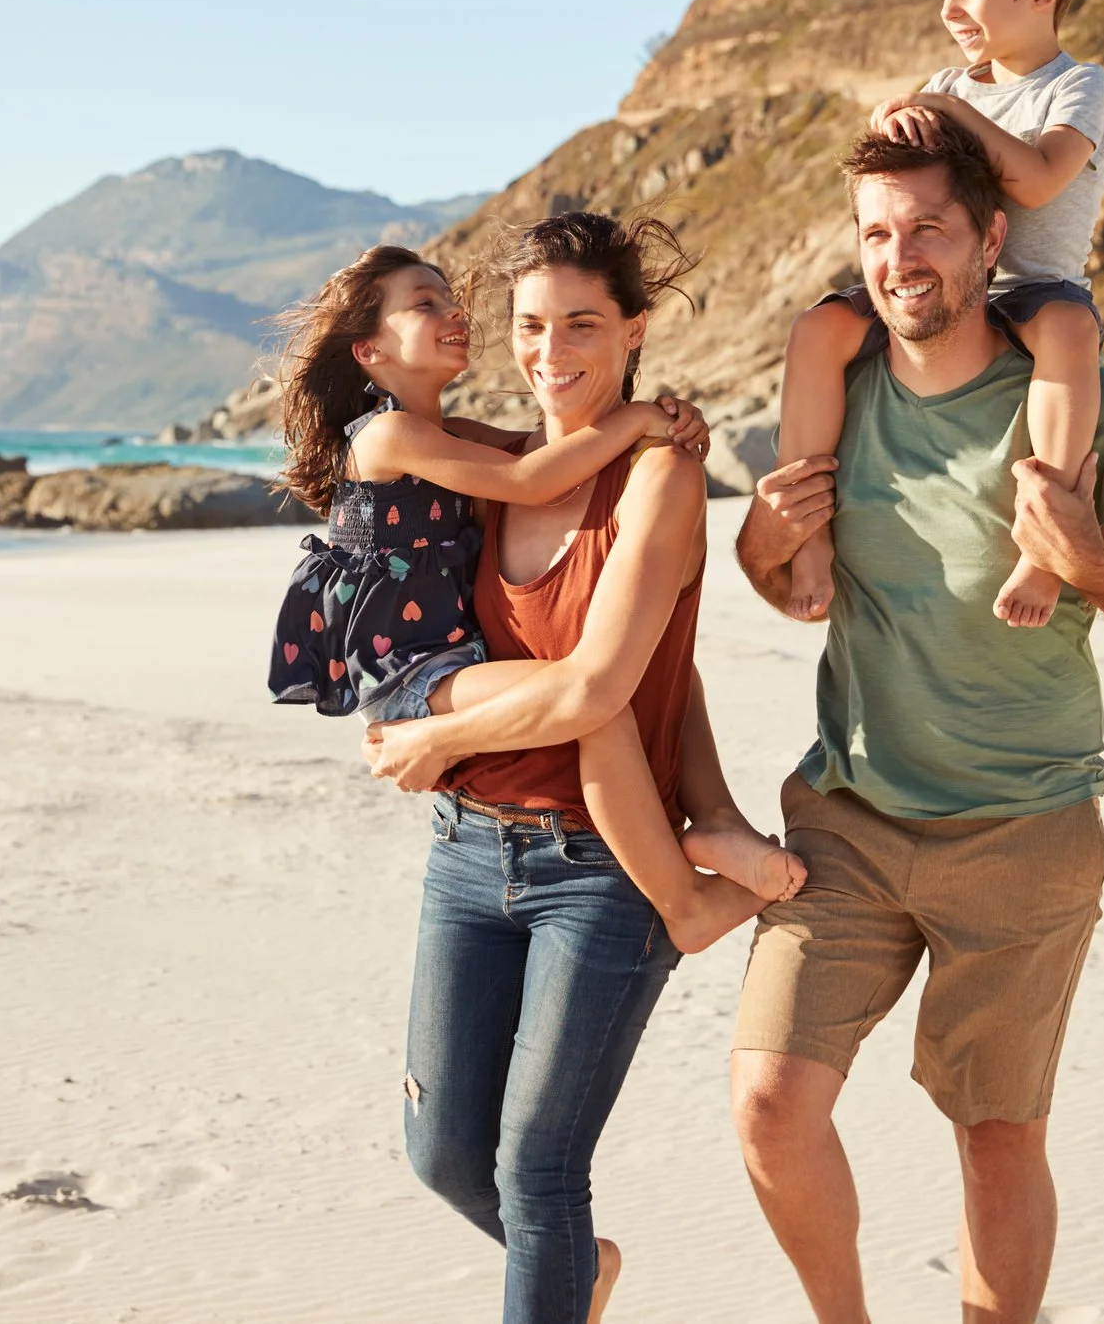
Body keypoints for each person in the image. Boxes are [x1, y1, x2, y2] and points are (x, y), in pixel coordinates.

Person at [730, 125, 1104, 1324]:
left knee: (995, 1138)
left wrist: (1090, 560)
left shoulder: (1081, 406)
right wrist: (756, 549)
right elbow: (789, 585)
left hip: (1025, 828)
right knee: (769, 1102)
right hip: (846, 814)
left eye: (928, 229)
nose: (899, 259)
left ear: (992, 238)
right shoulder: (836, 391)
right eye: (876, 234)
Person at [360, 210, 799, 1323]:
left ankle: (554, 1278)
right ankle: (579, 1276)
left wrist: (440, 734)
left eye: (583, 324)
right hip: (464, 853)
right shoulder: (495, 467)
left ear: (634, 329)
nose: (552, 352)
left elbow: (606, 686)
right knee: (439, 1149)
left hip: (601, 870)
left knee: (538, 1171)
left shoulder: (658, 476)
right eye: (531, 325)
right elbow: (666, 680)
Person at [268, 243, 801, 951]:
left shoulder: (446, 436)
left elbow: (533, 454)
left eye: (449, 298)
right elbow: (530, 479)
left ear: (630, 327)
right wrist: (635, 418)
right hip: (414, 676)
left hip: (443, 680)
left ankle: (716, 822)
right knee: (595, 707)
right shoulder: (394, 433)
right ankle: (685, 900)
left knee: (615, 680)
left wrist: (646, 425)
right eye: (425, 304)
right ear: (370, 351)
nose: (452, 311)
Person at [777, 0, 1104, 630]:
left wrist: (945, 107)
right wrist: (896, 117)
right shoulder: (948, 82)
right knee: (818, 328)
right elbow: (901, 166)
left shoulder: (1080, 88)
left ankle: (1044, 542)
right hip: (940, 281)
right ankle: (807, 533)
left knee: (1070, 331)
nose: (951, 10)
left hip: (1033, 286)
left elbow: (1032, 181)